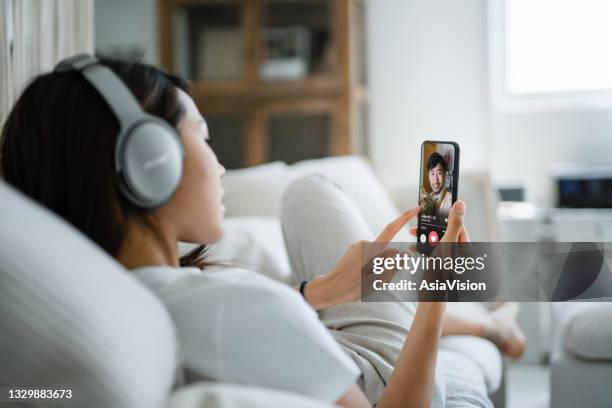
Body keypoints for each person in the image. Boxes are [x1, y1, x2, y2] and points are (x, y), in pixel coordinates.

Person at [0, 56, 525, 407]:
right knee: (311, 193)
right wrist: (435, 287)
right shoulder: (226, 310)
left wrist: (315, 294)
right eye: (203, 138)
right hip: (378, 371)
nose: (220, 165)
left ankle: (486, 319)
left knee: (323, 215)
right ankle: (488, 318)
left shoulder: (118, 296)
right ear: (148, 164)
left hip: (325, 336)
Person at [421, 152, 453, 219]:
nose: (436, 180)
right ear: (428, 175)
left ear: (444, 174)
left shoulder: (449, 199)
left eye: (439, 173)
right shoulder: (427, 199)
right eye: (432, 173)